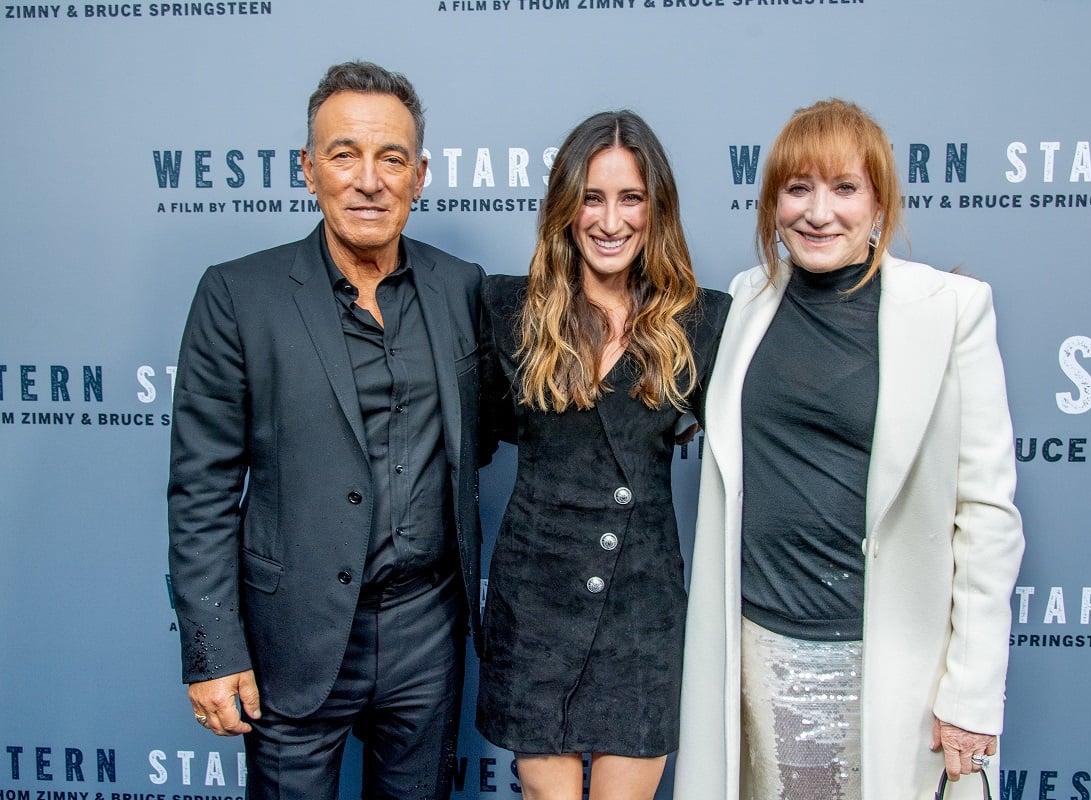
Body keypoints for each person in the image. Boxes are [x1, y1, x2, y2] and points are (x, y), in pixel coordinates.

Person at [674, 99, 1025, 800]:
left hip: (889, 660)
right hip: (758, 648)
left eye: (843, 188)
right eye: (796, 188)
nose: (818, 212)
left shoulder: (951, 311)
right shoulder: (745, 302)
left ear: (878, 202)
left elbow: (987, 514)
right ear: (772, 203)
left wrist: (972, 695)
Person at [167, 61, 488, 800]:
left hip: (426, 630)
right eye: (345, 154)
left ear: (420, 175)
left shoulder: (460, 286)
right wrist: (214, 651)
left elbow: (495, 427)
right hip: (293, 632)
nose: (369, 179)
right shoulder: (237, 295)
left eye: (392, 158)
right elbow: (201, 489)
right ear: (308, 170)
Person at [475, 110, 730, 800]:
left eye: (630, 199)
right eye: (591, 197)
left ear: (656, 210)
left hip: (641, 611)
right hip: (537, 605)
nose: (609, 220)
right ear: (565, 206)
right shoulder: (507, 312)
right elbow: (459, 438)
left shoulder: (703, 324)